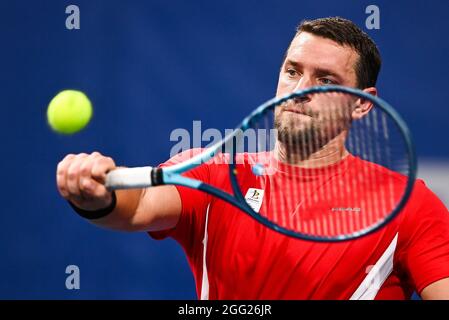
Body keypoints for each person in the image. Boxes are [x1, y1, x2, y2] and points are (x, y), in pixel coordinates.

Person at [56, 17, 449, 299]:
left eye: (325, 80)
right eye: (293, 71)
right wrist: (96, 195)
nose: (300, 89)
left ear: (363, 104)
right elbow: (139, 203)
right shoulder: (211, 172)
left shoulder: (408, 203)